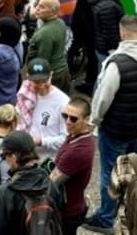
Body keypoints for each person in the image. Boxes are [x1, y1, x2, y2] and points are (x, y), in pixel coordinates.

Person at [85, 16, 137, 233]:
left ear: (122, 34)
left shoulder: (116, 64)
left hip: (116, 127)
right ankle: (134, 210)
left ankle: (105, 218)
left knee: (111, 173)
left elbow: (102, 99)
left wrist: (96, 120)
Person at [0, 130, 64, 232]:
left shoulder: (4, 194)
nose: (5, 160)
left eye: (4, 156)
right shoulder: (51, 185)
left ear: (13, 157)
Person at [52, 96, 96, 235]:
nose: (68, 122)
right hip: (73, 205)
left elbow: (51, 182)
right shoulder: (75, 135)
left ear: (87, 119)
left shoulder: (78, 150)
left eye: (74, 118)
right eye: (65, 116)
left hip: (67, 212)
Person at [16, 58, 70, 161]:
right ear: (28, 77)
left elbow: (66, 139)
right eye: (36, 81)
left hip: (49, 162)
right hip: (27, 158)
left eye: (45, 81)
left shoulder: (63, 102)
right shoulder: (25, 94)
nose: (41, 85)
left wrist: (41, 141)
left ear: (51, 75)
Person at [26, 0, 70, 92]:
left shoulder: (45, 33)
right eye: (38, 5)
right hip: (62, 71)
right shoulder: (60, 22)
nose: (37, 9)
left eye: (42, 7)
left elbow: (42, 61)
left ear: (53, 11)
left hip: (52, 76)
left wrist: (35, 80)